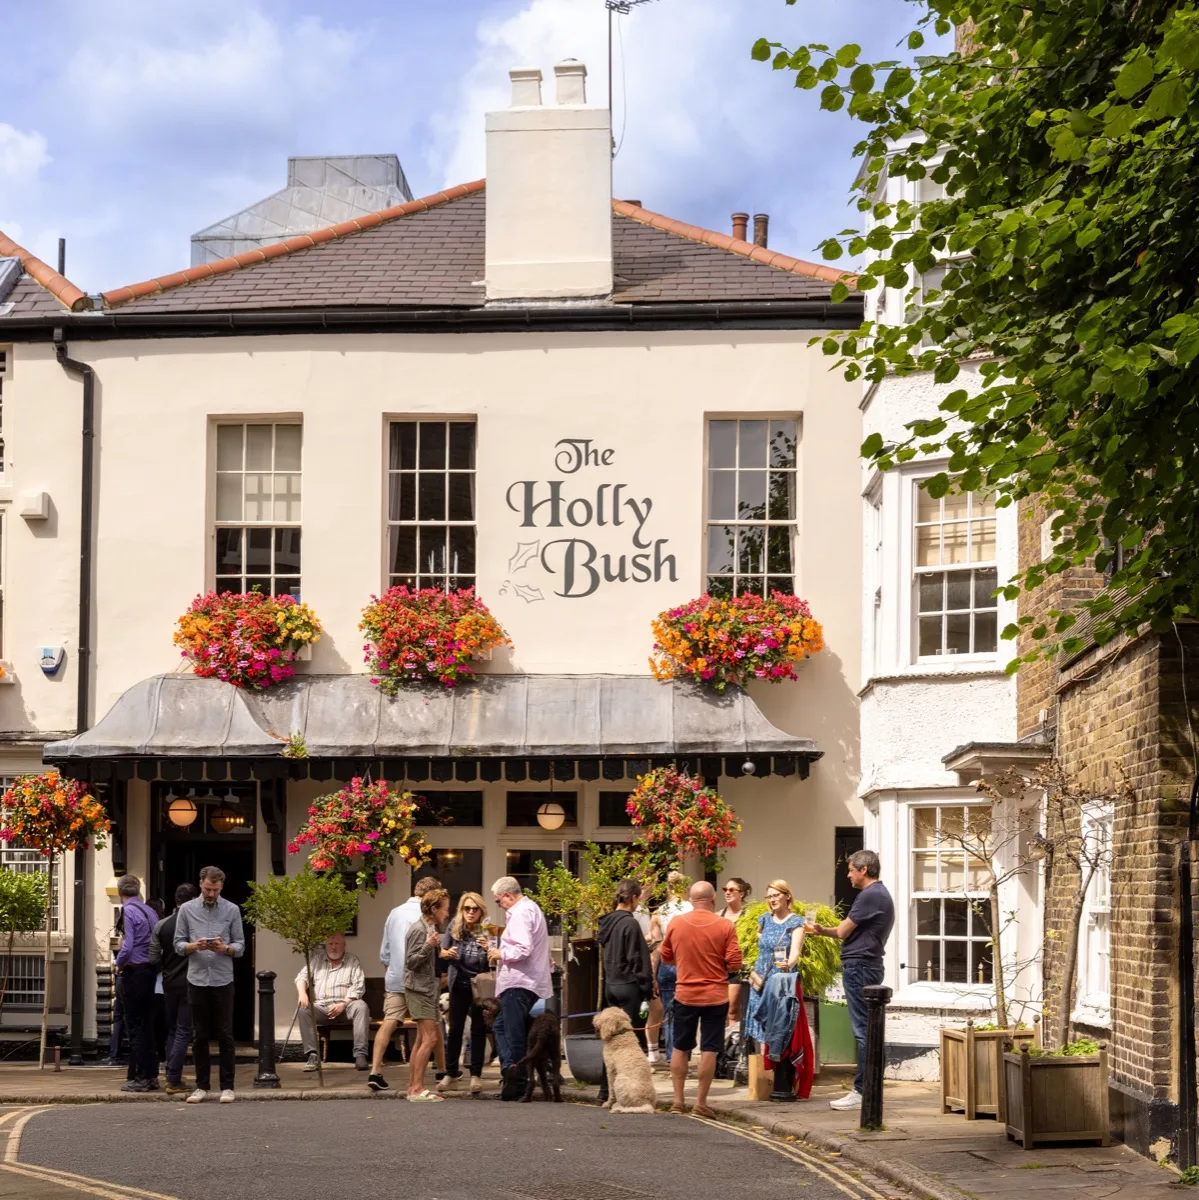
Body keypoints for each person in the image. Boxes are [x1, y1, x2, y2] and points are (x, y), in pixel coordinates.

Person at [809, 850, 895, 1111]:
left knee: (864, 1031)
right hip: (868, 965)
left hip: (860, 966)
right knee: (870, 1030)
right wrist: (821, 930)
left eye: (850, 870)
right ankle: (870, 1090)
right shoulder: (881, 894)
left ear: (864, 869)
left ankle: (863, 1091)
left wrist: (823, 931)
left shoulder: (869, 895)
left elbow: (843, 931)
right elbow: (842, 931)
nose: (848, 875)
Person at [659, 882, 742, 1118]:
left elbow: (665, 956)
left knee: (680, 1047)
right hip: (715, 996)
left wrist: (684, 961)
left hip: (685, 994)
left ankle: (677, 1101)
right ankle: (700, 1103)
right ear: (713, 899)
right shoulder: (725, 925)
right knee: (709, 1049)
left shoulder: (676, 923)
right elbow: (735, 963)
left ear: (690, 900)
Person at [174, 865, 245, 1104]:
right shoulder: (187, 909)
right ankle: (201, 1086)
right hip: (196, 979)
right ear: (200, 884)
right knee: (200, 1035)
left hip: (223, 978)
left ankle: (228, 1086)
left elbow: (240, 945)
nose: (211, 894)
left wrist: (225, 948)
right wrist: (195, 946)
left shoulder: (232, 909)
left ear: (221, 886)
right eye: (207, 889)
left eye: (215, 889)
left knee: (225, 1034)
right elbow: (178, 944)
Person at [367, 875, 442, 1092]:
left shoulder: (394, 913)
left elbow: (385, 952)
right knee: (430, 1025)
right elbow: (428, 951)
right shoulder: (425, 917)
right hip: (419, 979)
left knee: (389, 1021)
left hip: (396, 976)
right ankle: (440, 1070)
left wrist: (391, 971)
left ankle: (375, 1071)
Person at [487, 876, 552, 1102]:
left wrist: (500, 953)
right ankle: (510, 1069)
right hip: (524, 980)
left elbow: (523, 948)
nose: (499, 905)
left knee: (513, 1032)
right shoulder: (529, 909)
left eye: (498, 901)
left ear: (508, 895)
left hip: (519, 981)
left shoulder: (522, 913)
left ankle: (518, 1080)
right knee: (501, 1025)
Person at [596, 878, 653, 1105]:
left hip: (611, 986)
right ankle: (631, 1092)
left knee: (611, 1042)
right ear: (634, 897)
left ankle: (605, 1091)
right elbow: (638, 960)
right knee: (632, 1044)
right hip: (630, 987)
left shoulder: (607, 923)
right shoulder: (630, 924)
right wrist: (648, 990)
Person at [439, 891, 491, 1095]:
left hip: (479, 985)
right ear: (461, 909)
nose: (470, 912)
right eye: (466, 908)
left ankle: (476, 1075)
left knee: (478, 1029)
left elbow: (496, 957)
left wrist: (489, 947)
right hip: (458, 983)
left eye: (474, 909)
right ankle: (451, 1073)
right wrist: (447, 953)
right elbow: (442, 951)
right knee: (455, 1030)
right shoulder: (454, 926)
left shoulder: (487, 928)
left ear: (481, 911)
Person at [743, 879, 805, 1050]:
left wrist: (788, 963)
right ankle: (764, 1063)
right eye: (769, 896)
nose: (772, 899)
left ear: (787, 896)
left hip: (779, 980)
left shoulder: (796, 922)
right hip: (760, 979)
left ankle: (777, 1062)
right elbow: (759, 936)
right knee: (760, 1027)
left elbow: (795, 952)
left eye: (776, 895)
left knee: (778, 1026)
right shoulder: (764, 919)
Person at [150, 882, 199, 1095]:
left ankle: (171, 1073)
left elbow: (153, 958)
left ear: (176, 899)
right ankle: (173, 1078)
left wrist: (167, 964)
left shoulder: (162, 925)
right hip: (191, 982)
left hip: (169, 982)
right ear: (194, 900)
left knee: (172, 1030)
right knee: (184, 1031)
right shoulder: (196, 926)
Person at [115, 875, 162, 1093]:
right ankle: (152, 1076)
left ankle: (141, 1077)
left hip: (134, 971)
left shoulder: (127, 910)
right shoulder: (150, 910)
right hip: (150, 970)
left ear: (120, 892)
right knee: (147, 1025)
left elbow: (128, 945)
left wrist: (118, 964)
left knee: (134, 1026)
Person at [296, 932, 370, 1072]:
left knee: (361, 1006)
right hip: (322, 1007)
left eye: (337, 944)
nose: (333, 947)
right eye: (330, 944)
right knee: (303, 1009)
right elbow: (302, 977)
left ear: (344, 945)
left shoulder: (352, 960)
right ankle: (312, 1055)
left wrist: (343, 1004)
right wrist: (302, 993)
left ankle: (360, 1055)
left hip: (346, 1007)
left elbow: (358, 986)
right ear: (326, 945)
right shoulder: (317, 960)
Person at [404, 887, 450, 1101]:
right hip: (419, 990)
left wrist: (442, 952)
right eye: (445, 909)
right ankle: (417, 1089)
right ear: (433, 908)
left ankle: (413, 1088)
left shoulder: (429, 927)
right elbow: (410, 962)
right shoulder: (418, 929)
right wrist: (428, 945)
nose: (447, 913)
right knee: (430, 1039)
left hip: (428, 989)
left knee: (422, 1039)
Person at [646, 870, 692, 1065]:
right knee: (689, 1013)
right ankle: (684, 1056)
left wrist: (652, 976)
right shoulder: (692, 909)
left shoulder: (660, 912)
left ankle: (673, 1058)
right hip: (688, 965)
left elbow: (655, 948)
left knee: (670, 1014)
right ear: (685, 888)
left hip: (667, 965)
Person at [719, 878, 751, 1027]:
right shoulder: (718, 915)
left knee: (733, 1011)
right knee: (719, 1011)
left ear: (742, 894)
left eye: (732, 890)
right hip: (719, 969)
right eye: (725, 889)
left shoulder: (749, 916)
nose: (727, 892)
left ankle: (734, 1040)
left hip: (737, 969)